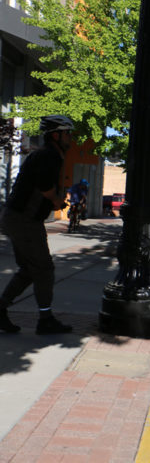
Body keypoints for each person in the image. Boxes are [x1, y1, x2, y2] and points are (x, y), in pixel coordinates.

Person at [0, 115, 75, 334]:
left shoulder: (47, 154)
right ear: (56, 135)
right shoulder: (49, 155)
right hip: (24, 220)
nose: (70, 138)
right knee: (43, 269)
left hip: (18, 218)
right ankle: (45, 319)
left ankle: (1, 309)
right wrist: (56, 200)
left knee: (29, 270)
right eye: (67, 133)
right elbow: (44, 186)